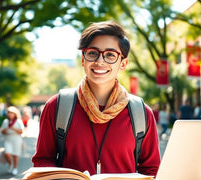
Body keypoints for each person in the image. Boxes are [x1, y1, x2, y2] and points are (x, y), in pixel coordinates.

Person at [32, 21, 160, 177]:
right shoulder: (57, 106)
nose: (100, 61)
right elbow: (42, 161)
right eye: (92, 53)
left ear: (123, 64)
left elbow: (152, 170)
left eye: (110, 55)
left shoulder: (141, 113)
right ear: (83, 59)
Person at [0, 106, 24, 176]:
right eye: (9, 113)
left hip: (16, 139)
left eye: (11, 113)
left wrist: (14, 129)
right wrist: (5, 130)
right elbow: (2, 131)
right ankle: (10, 164)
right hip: (8, 139)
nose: (10, 114)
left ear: (15, 114)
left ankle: (15, 168)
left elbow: (21, 131)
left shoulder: (18, 121)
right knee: (7, 153)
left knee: (15, 155)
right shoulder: (5, 121)